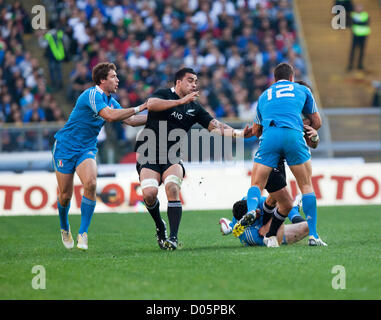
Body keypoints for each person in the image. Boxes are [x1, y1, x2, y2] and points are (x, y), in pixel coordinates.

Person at [135, 67, 254, 251]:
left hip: (171, 156)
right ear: (178, 82)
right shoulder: (164, 94)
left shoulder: (194, 108)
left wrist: (239, 133)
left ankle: (172, 238)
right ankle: (160, 226)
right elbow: (151, 105)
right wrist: (180, 101)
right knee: (149, 194)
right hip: (149, 152)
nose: (194, 84)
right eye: (190, 80)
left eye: (196, 81)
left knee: (172, 186)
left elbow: (216, 126)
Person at [52, 62, 147, 250]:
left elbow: (131, 120)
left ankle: (83, 233)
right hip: (65, 147)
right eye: (113, 76)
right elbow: (111, 116)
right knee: (65, 196)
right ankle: (64, 228)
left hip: (86, 148)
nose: (117, 79)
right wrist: (141, 106)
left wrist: (159, 116)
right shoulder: (92, 95)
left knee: (91, 183)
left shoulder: (110, 100)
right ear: (102, 80)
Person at [244, 62, 325, 248]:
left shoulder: (264, 95)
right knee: (306, 186)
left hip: (270, 137)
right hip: (293, 135)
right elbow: (317, 121)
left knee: (257, 183)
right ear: (292, 78)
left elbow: (256, 130)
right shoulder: (302, 90)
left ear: (274, 79)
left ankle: (251, 211)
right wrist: (303, 126)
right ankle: (313, 235)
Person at [219, 195, 309, 247]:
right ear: (248, 223)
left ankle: (229, 226)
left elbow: (278, 200)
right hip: (268, 233)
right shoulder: (251, 235)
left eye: (254, 210)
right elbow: (277, 238)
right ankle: (294, 207)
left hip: (266, 219)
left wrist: (268, 225)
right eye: (252, 216)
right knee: (307, 227)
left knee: (279, 201)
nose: (258, 211)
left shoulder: (252, 201)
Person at [347, 3, 370, 71]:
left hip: (363, 35)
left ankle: (360, 64)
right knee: (353, 50)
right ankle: (350, 65)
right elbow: (351, 23)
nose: (359, 9)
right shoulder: (353, 15)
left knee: (362, 51)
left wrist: (357, 22)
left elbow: (366, 23)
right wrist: (360, 22)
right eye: (358, 8)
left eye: (360, 8)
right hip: (356, 35)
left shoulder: (365, 15)